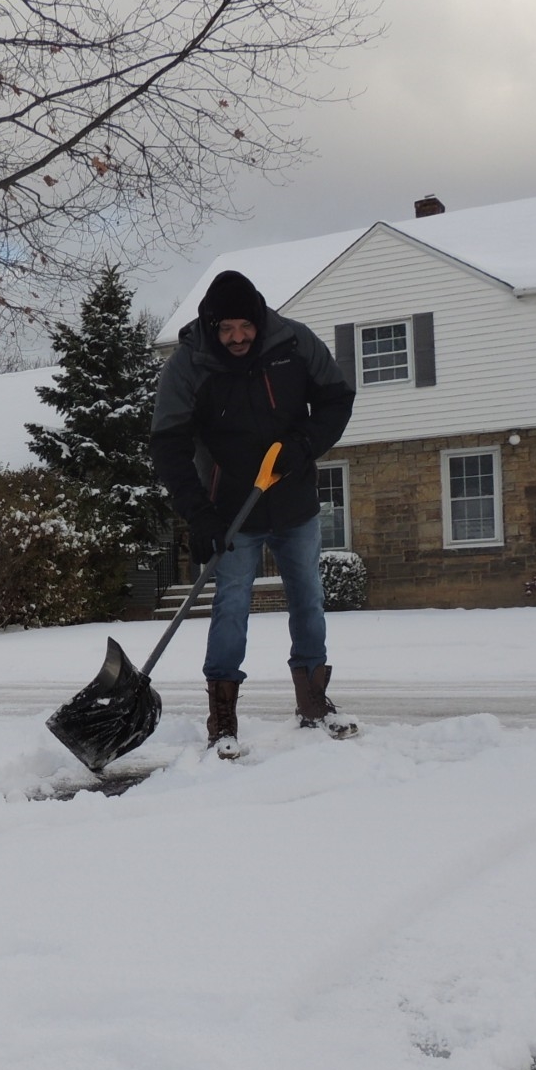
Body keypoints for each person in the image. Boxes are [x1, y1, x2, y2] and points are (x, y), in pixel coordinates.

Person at [150, 269, 358, 756]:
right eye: (226, 329)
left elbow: (336, 397)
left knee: (308, 599)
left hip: (293, 501)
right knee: (231, 608)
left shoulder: (292, 342)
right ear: (211, 326)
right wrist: (198, 514)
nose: (238, 337)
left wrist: (303, 444)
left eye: (245, 326)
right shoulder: (188, 366)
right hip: (230, 512)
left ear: (259, 318)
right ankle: (222, 717)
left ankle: (314, 701)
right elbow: (169, 444)